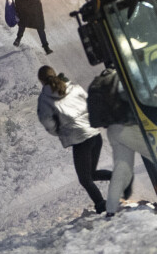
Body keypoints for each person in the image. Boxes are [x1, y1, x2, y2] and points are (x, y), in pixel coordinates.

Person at [37, 66, 110, 214]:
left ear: (41, 80)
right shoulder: (74, 87)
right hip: (95, 135)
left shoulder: (45, 98)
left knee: (85, 179)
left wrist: (61, 131)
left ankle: (102, 205)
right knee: (91, 174)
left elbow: (47, 122)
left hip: (80, 140)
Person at [86, 67, 152, 217]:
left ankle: (110, 209)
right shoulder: (119, 77)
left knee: (122, 168)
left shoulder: (102, 82)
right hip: (127, 127)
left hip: (112, 131)